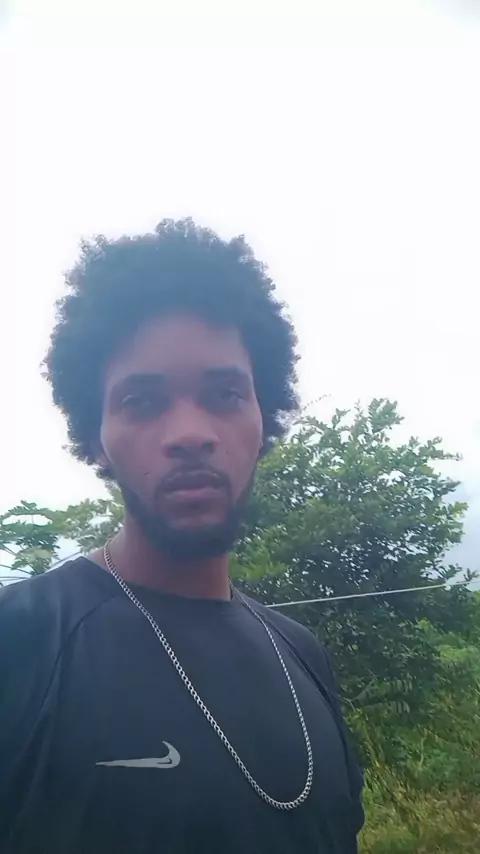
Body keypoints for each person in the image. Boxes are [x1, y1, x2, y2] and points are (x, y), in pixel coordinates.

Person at [0, 219, 364, 853]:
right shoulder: (21, 639)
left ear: (263, 418)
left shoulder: (302, 653)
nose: (190, 433)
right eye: (142, 402)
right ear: (96, 439)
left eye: (224, 393)